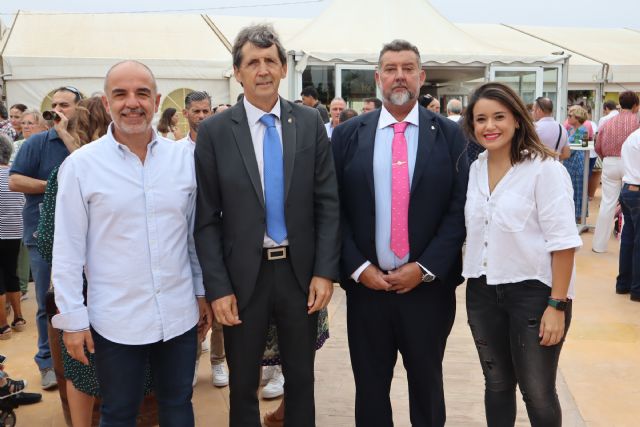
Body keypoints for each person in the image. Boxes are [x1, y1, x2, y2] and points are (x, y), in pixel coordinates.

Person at [51, 60, 212, 426]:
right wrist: (73, 320)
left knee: (178, 406)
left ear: (156, 101)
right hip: (115, 321)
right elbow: (68, 250)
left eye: (141, 93)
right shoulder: (80, 167)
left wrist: (201, 291)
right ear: (107, 104)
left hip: (178, 314)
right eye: (120, 94)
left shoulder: (184, 160)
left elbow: (191, 236)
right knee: (119, 412)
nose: (132, 103)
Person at [194, 24, 340, 427]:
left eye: (270, 61)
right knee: (242, 384)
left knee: (302, 381)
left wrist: (325, 271)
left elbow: (328, 203)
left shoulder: (309, 122)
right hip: (244, 278)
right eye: (252, 62)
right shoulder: (215, 132)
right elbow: (205, 220)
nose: (262, 69)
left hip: (299, 275)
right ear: (237, 72)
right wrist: (217, 287)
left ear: (283, 69)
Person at [332, 39, 468, 427]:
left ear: (421, 77)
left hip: (426, 291)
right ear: (378, 78)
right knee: (371, 391)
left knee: (427, 389)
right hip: (367, 291)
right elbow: (332, 208)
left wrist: (425, 268)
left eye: (408, 68)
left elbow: (459, 209)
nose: (399, 76)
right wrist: (358, 267)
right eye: (390, 69)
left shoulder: (449, 135)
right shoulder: (347, 136)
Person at [461, 82, 582, 427]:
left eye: (499, 117)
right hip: (483, 291)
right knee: (497, 386)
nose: (490, 126)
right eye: (481, 118)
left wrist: (557, 305)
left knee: (537, 392)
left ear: (517, 119)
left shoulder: (545, 169)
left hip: (534, 295)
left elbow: (564, 242)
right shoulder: (475, 169)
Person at [9, 85, 82, 390]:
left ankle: (80, 359)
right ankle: (48, 362)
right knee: (46, 302)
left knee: (80, 300)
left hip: (81, 236)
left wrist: (68, 136)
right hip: (42, 234)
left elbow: (91, 172)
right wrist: (54, 186)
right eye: (54, 104)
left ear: (79, 109)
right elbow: (14, 180)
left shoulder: (85, 143)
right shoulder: (37, 142)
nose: (58, 109)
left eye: (65, 104)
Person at [176, 90, 229, 388]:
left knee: (220, 302)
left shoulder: (221, 149)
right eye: (195, 111)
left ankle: (218, 361)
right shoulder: (174, 153)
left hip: (217, 237)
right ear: (185, 114)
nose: (201, 116)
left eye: (205, 111)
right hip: (185, 241)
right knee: (192, 307)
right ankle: (193, 359)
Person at [592, 91, 640, 253]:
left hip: (610, 162)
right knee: (630, 206)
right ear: (635, 105)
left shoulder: (607, 122)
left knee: (607, 203)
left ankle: (599, 245)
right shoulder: (637, 121)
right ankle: (625, 246)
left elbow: (598, 145)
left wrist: (606, 158)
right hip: (631, 164)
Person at [0, 134, 26, 340]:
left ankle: (2, 326)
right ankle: (18, 318)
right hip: (15, 232)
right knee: (12, 273)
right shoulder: (15, 175)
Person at [618, 127, 640, 300]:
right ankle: (637, 289)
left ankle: (623, 284)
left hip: (628, 189)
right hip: (637, 190)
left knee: (628, 239)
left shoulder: (631, 137)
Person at [563, 106, 590, 221]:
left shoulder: (582, 130)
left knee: (578, 189)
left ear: (578, 118)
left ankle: (579, 216)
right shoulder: (570, 130)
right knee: (571, 188)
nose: (568, 117)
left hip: (577, 163)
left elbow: (573, 149)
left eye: (570, 115)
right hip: (569, 162)